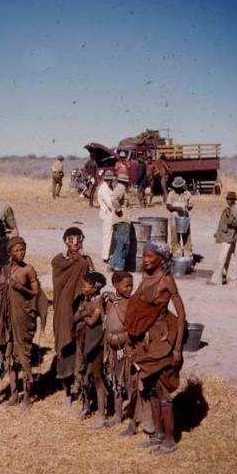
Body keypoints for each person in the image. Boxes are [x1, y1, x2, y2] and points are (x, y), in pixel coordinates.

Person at [124, 240, 186, 455]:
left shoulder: (166, 280)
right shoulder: (146, 277)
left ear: (161, 258)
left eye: (150, 256)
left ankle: (169, 441)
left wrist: (177, 348)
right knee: (150, 390)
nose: (146, 259)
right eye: (144, 255)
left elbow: (182, 315)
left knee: (163, 393)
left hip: (162, 341)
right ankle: (158, 435)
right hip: (146, 340)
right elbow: (135, 301)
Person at [0, 237, 48, 411]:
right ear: (10, 252)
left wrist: (21, 288)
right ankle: (13, 392)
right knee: (10, 356)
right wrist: (1, 286)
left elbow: (36, 293)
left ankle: (27, 396)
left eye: (22, 250)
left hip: (23, 317)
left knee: (24, 356)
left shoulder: (29, 270)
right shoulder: (5, 269)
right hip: (9, 317)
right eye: (16, 250)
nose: (20, 253)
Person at [51, 227, 94, 407]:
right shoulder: (59, 261)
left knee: (83, 349)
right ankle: (67, 391)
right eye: (71, 240)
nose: (75, 244)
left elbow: (94, 281)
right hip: (63, 309)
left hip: (81, 309)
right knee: (65, 349)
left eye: (78, 240)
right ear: (65, 241)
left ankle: (83, 389)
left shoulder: (86, 261)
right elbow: (59, 284)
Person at [72, 271, 108, 427]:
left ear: (94, 287)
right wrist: (82, 313)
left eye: (85, 285)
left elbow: (93, 322)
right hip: (83, 343)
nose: (82, 287)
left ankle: (101, 415)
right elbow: (73, 320)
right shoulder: (85, 301)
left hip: (95, 344)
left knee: (98, 378)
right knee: (85, 376)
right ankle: (86, 407)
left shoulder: (99, 302)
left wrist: (83, 314)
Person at [103, 271, 133, 429]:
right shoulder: (110, 302)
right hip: (113, 351)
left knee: (128, 382)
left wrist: (115, 303)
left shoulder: (130, 302)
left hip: (125, 350)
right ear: (115, 285)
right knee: (117, 384)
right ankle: (118, 415)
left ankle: (135, 415)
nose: (130, 289)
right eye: (126, 285)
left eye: (131, 286)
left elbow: (126, 321)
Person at [209, 191, 237, 287]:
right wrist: (218, 234)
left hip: (229, 237)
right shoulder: (229, 209)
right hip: (226, 236)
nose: (227, 200)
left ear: (233, 200)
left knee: (221, 258)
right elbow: (223, 223)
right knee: (230, 259)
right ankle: (233, 281)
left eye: (229, 199)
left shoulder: (235, 210)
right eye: (227, 199)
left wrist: (229, 215)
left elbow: (235, 223)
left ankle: (216, 280)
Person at [108, 173, 131, 272]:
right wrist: (118, 210)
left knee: (119, 244)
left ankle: (112, 264)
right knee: (123, 244)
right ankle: (119, 267)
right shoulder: (121, 188)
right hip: (122, 220)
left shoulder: (118, 188)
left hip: (118, 220)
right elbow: (114, 199)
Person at [166, 176, 194, 258]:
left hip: (184, 217)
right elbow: (168, 206)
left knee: (186, 235)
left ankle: (187, 253)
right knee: (175, 236)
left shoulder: (187, 193)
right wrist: (176, 208)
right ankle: (176, 253)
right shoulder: (171, 194)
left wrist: (186, 208)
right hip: (174, 218)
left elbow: (191, 205)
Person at [97, 170, 115, 263]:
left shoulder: (109, 187)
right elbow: (110, 203)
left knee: (111, 235)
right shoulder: (104, 189)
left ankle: (109, 254)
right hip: (107, 213)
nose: (111, 181)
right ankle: (105, 256)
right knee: (107, 235)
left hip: (110, 213)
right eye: (110, 180)